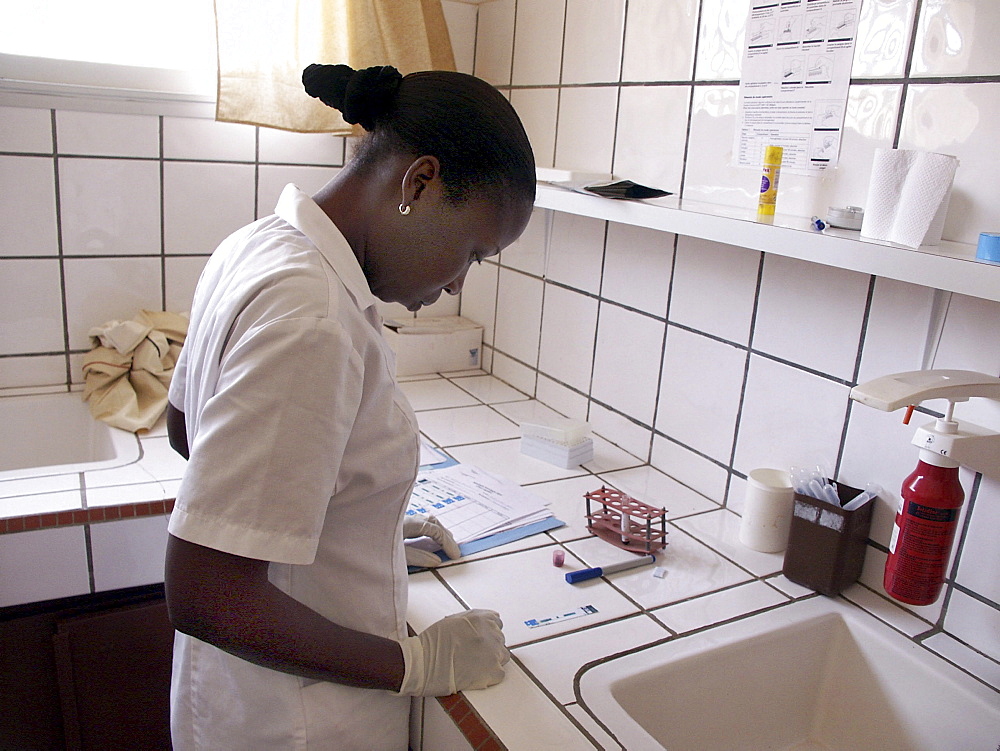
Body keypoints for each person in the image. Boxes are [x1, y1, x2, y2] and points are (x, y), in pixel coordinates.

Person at [163, 63, 536, 750]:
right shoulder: (314, 314)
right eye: (472, 253)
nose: (456, 285)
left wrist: (354, 527)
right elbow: (205, 593)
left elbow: (190, 431)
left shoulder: (258, 244)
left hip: (232, 705)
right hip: (296, 722)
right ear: (418, 183)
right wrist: (416, 662)